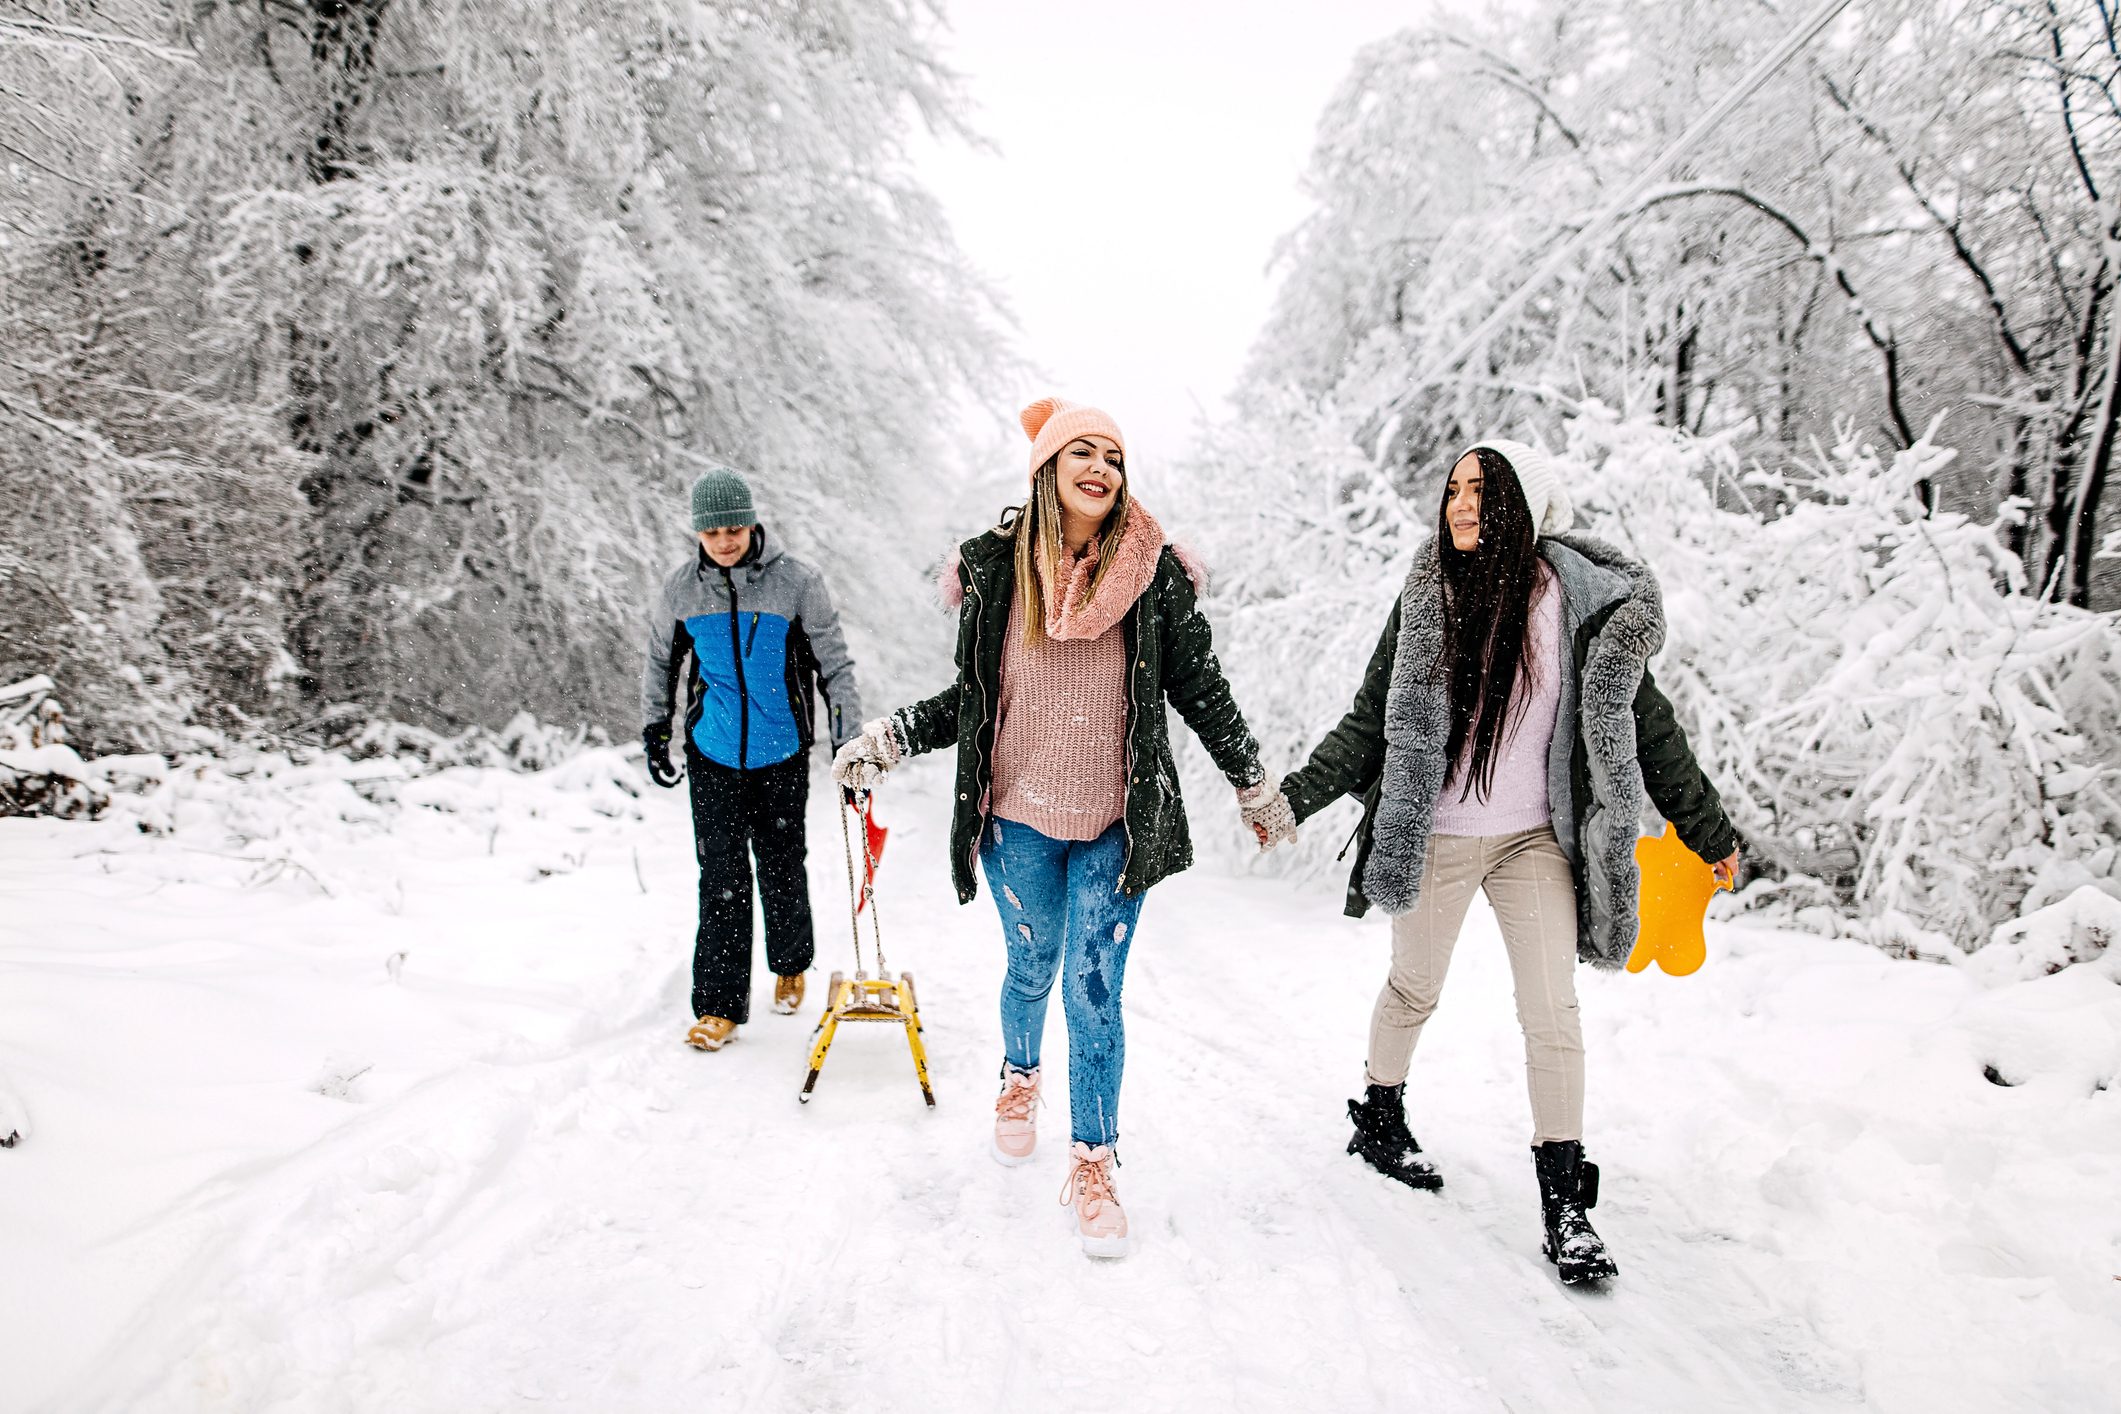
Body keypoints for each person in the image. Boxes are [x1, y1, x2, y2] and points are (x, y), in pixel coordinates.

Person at [1259, 439, 1739, 1285]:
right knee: (1414, 988)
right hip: (1439, 832)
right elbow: (1371, 719)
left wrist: (1709, 831)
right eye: (1452, 490)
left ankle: (1566, 1206)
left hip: (1531, 842)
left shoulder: (1580, 606)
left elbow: (1649, 731)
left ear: (1526, 501)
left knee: (1552, 1009)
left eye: (1481, 489)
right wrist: (1292, 798)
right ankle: (1378, 1112)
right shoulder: (1426, 596)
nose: (1461, 504)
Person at [832, 397, 1285, 1259]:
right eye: (1082, 451)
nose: (1100, 469)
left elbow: (1202, 690)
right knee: (1033, 965)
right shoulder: (998, 572)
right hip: (1017, 821)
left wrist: (1252, 783)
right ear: (1046, 468)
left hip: (1117, 821)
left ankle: (1093, 1158)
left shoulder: (1153, 576)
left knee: (1092, 988)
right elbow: (972, 700)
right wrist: (890, 738)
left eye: (1113, 457)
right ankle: (1018, 1076)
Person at [641, 465, 862, 1052]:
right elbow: (660, 663)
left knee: (782, 864)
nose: (725, 541)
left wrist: (848, 741)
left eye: (735, 528)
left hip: (782, 753)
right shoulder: (681, 591)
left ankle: (790, 962)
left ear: (753, 523)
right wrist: (655, 728)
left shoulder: (796, 583)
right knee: (720, 877)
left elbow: (835, 667)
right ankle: (718, 1007)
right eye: (713, 533)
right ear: (698, 534)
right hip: (712, 753)